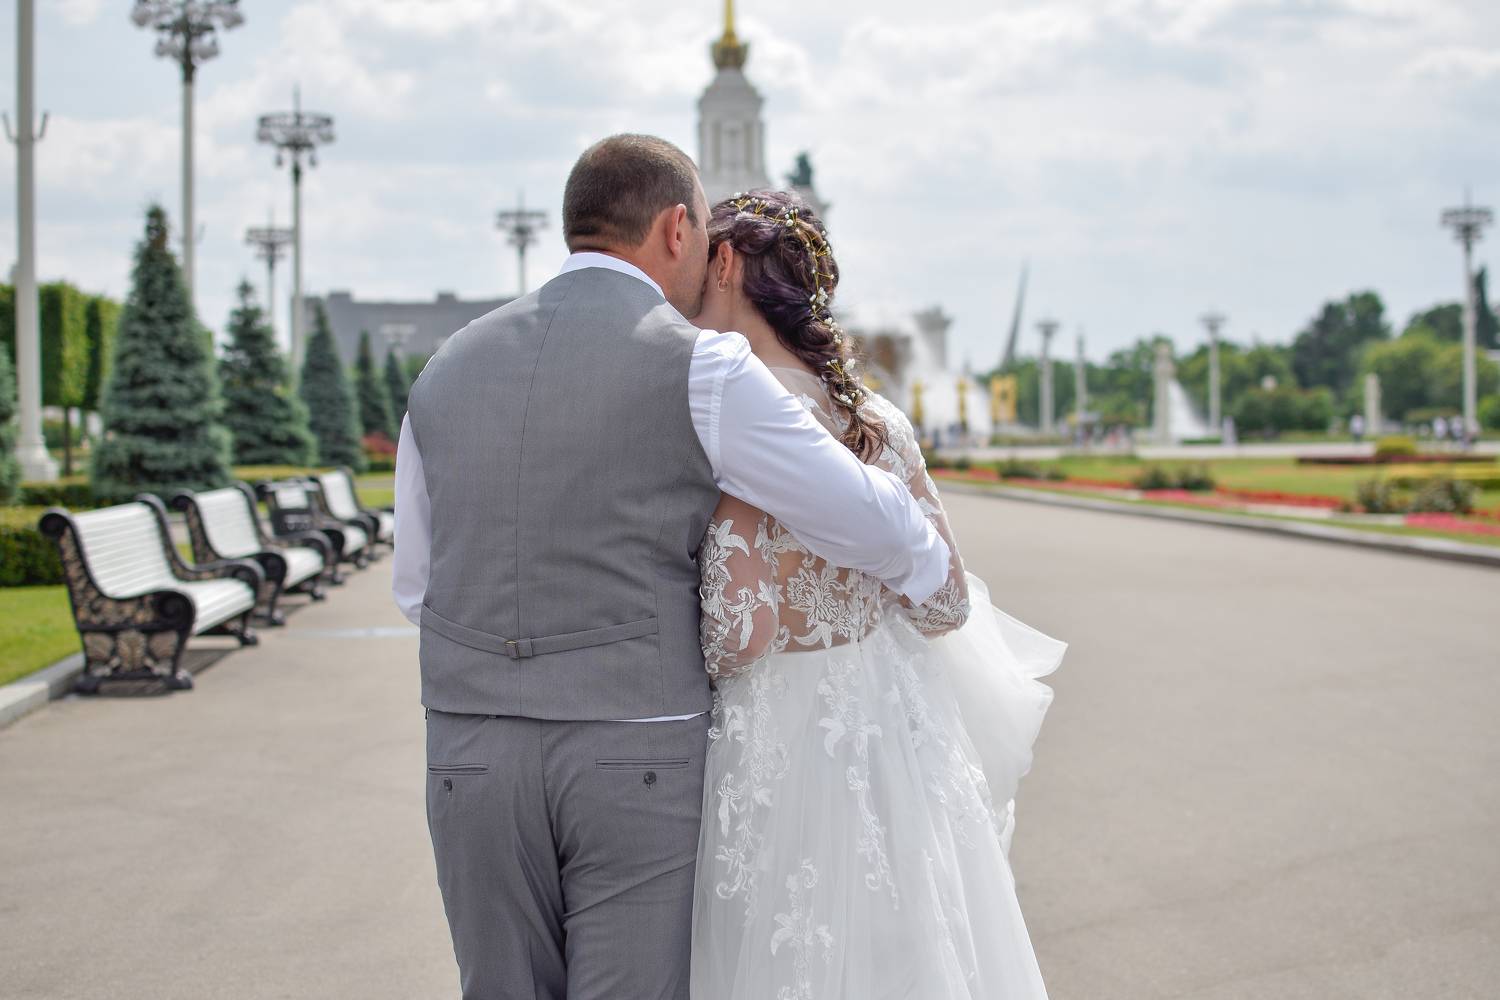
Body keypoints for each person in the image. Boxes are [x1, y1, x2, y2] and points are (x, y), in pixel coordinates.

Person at [392, 135, 952, 1000]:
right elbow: (869, 517)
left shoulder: (448, 366)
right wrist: (926, 565)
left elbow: (417, 586)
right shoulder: (701, 368)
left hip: (469, 751)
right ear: (676, 229)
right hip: (634, 749)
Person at [689, 190, 1063, 999]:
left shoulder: (732, 424)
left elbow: (738, 635)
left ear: (724, 265)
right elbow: (945, 606)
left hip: (781, 741)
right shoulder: (879, 420)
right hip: (894, 733)